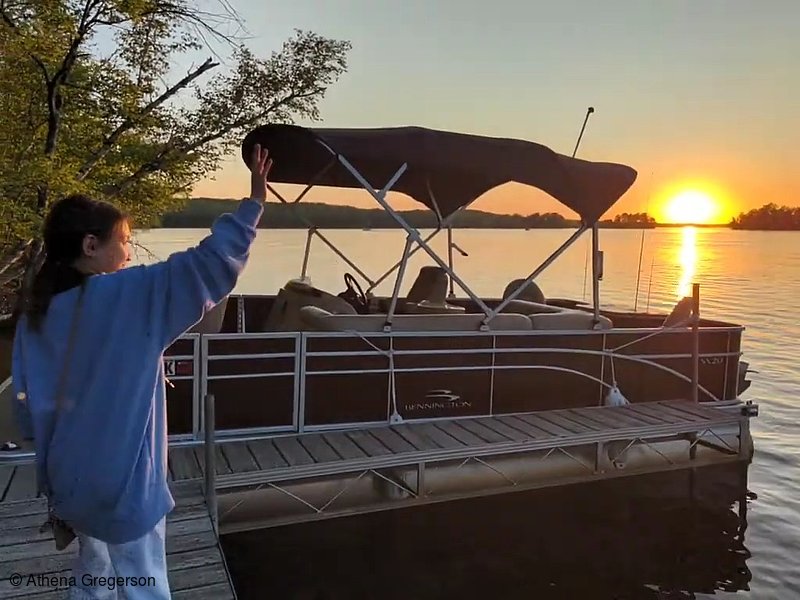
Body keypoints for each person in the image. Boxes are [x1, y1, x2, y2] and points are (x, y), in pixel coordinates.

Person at [11, 143, 273, 599]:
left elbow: (28, 404)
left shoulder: (39, 311)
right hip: (123, 484)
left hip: (69, 476)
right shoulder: (126, 296)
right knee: (143, 584)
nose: (130, 253)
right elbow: (206, 266)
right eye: (124, 241)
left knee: (94, 579)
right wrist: (253, 204)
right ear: (91, 246)